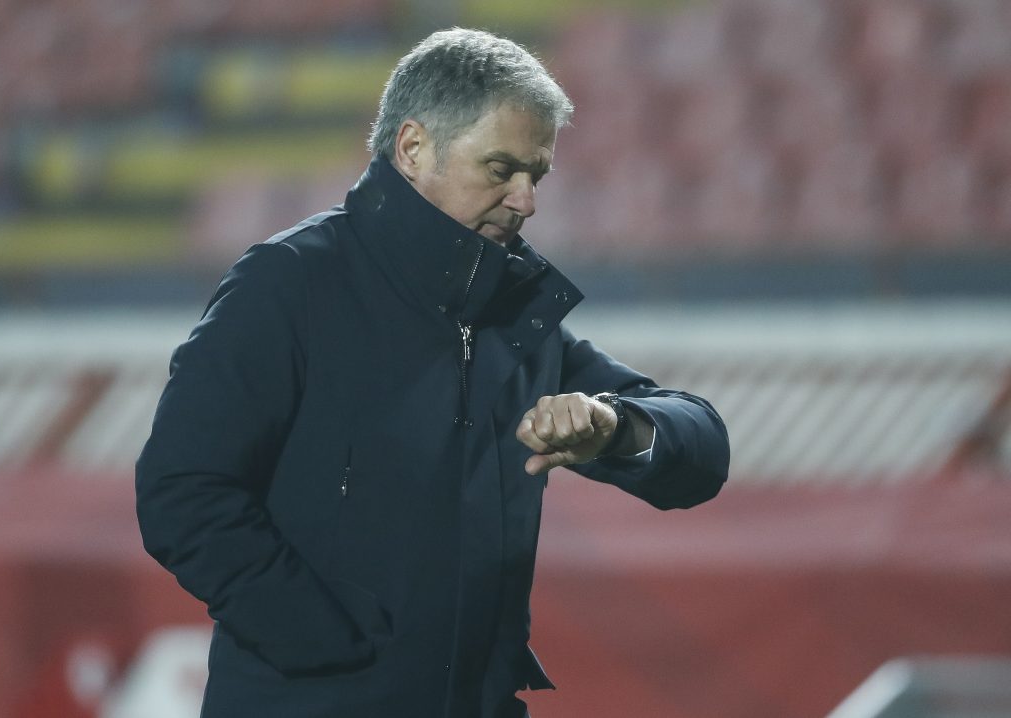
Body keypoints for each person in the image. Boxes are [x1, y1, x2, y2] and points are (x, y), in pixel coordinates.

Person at [136, 28, 729, 718]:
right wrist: (334, 653)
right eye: (501, 168)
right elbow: (182, 493)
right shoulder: (290, 283)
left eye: (536, 175)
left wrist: (617, 428)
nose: (526, 200)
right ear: (414, 148)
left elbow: (700, 444)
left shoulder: (513, 311)